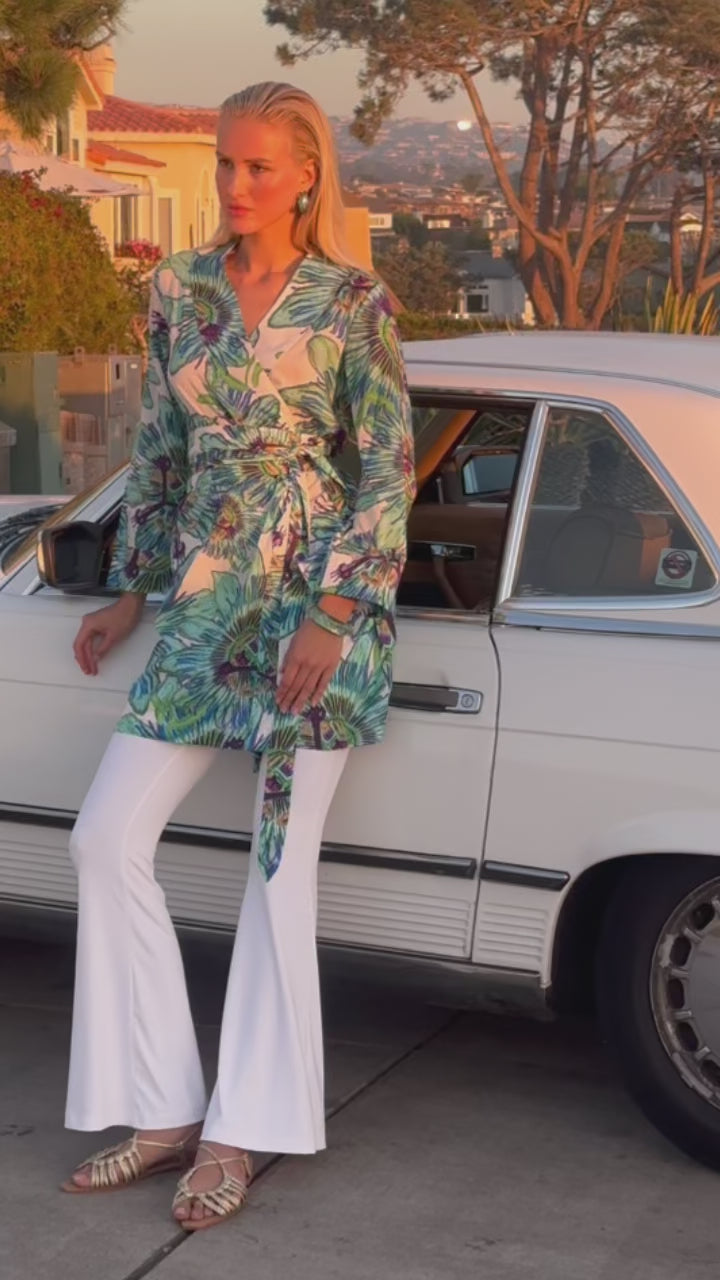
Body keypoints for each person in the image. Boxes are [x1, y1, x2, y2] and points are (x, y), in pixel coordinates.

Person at [60, 80, 415, 1232]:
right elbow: (159, 449)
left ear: (308, 173)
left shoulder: (355, 302)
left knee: (274, 874)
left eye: (260, 167)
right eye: (225, 164)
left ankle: (239, 1130)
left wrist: (335, 611)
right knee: (104, 836)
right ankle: (161, 1104)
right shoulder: (177, 288)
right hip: (210, 602)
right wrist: (129, 592)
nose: (236, 185)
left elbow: (386, 470)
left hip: (315, 605)